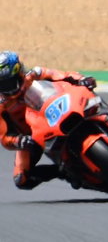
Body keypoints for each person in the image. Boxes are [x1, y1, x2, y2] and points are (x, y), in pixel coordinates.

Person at [0, 51, 96, 190]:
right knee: (21, 180)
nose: (6, 88)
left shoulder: (36, 74)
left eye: (8, 82)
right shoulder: (2, 105)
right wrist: (19, 141)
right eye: (1, 85)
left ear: (19, 73)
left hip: (56, 109)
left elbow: (63, 76)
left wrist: (81, 79)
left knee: (91, 99)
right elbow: (4, 137)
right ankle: (63, 172)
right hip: (32, 136)